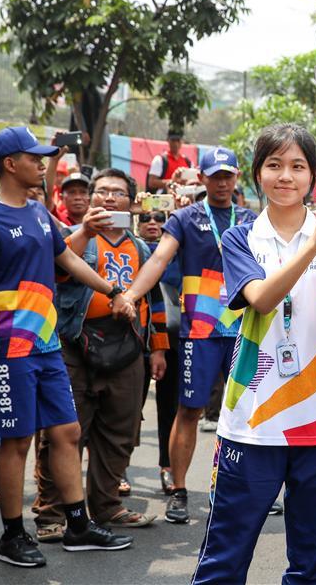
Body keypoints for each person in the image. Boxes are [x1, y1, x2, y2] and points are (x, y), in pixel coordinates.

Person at [190, 124, 316, 583]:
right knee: (225, 557)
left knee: (313, 562)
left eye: (298, 166)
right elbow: (261, 299)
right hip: (253, 421)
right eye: (275, 165)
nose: (286, 176)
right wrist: (313, 246)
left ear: (314, 176)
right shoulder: (240, 239)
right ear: (257, 174)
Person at [0, 126, 135, 567]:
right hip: (9, 350)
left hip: (47, 345)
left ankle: (78, 525)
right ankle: (12, 535)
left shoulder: (40, 212)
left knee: (67, 432)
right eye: (34, 157)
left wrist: (112, 291)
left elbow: (70, 260)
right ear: (9, 164)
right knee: (17, 441)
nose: (42, 164)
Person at [115, 146, 256, 524]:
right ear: (203, 178)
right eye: (215, 175)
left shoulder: (251, 219)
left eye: (229, 175)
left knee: (245, 412)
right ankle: (178, 490)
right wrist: (130, 294)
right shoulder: (184, 218)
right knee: (190, 410)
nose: (223, 182)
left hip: (246, 328)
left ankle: (243, 488)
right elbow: (158, 260)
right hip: (200, 331)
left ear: (237, 177)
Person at [34, 168, 169, 538]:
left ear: (132, 202)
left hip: (126, 347)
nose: (109, 198)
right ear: (91, 199)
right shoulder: (73, 237)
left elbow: (153, 302)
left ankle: (107, 507)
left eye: (118, 193)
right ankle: (52, 515)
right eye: (102, 192)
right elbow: (57, 270)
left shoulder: (142, 247)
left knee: (119, 433)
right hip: (75, 345)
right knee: (63, 432)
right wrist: (85, 232)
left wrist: (158, 349)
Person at [136, 209, 180, 495]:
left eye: (161, 217)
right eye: (145, 217)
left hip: (174, 338)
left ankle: (168, 466)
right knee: (126, 411)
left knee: (171, 409)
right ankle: (116, 473)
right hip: (134, 340)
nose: (153, 222)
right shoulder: (129, 246)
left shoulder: (178, 247)